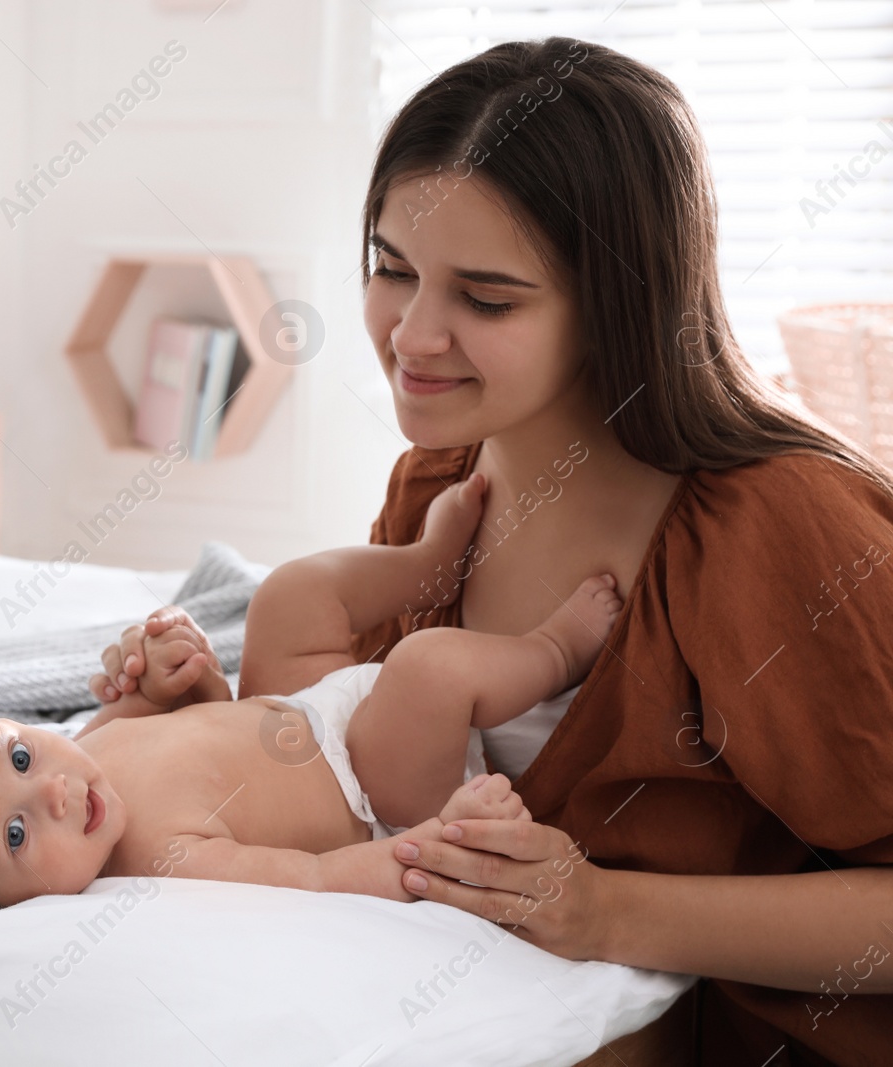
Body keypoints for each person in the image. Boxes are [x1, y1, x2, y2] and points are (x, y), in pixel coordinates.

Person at [91, 36, 893, 1067]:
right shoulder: (439, 483)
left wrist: (600, 909)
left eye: (486, 297)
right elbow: (361, 787)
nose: (411, 334)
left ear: (618, 306)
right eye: (392, 269)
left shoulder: (781, 526)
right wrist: (204, 729)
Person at [0, 475, 625, 908]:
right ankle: (557, 648)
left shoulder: (87, 748)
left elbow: (203, 712)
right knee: (426, 667)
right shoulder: (162, 860)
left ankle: (427, 559)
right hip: (375, 785)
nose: (53, 791)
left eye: (18, 754)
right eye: (16, 836)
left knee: (286, 596)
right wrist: (428, 845)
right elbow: (309, 879)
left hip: (306, 712)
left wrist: (180, 669)